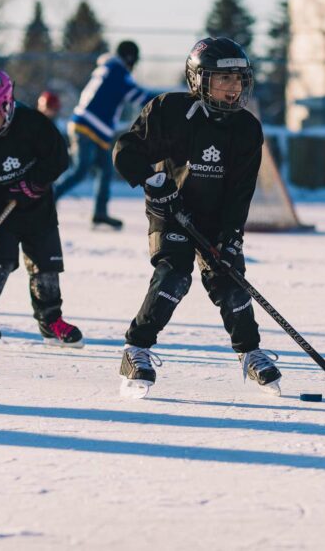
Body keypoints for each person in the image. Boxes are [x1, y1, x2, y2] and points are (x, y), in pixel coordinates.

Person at [111, 37, 282, 398]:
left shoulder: (247, 129)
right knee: (174, 276)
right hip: (171, 211)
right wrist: (154, 180)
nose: (233, 88)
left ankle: (250, 353)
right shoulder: (169, 112)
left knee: (230, 281)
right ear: (198, 80)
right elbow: (126, 150)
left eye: (238, 79)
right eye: (224, 79)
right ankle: (136, 349)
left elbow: (241, 191)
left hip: (215, 217)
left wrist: (232, 234)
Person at [0, 70, 84, 348]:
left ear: (6, 106)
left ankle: (51, 322)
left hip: (37, 209)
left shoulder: (33, 124)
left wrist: (34, 183)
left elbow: (59, 158)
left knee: (46, 266)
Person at [54, 40, 158, 230]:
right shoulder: (117, 71)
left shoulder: (110, 68)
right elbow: (137, 96)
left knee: (105, 170)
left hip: (94, 128)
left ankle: (100, 212)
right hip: (87, 126)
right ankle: (47, 201)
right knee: (80, 170)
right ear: (130, 58)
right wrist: (162, 99)